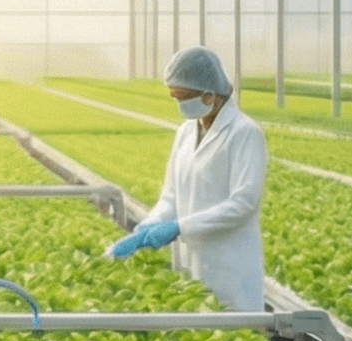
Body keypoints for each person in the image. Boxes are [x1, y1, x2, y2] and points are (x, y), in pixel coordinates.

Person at [105, 46, 267, 311]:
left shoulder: (245, 133)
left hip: (229, 269)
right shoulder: (185, 132)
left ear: (208, 94)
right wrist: (146, 229)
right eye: (175, 98)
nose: (180, 105)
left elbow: (243, 204)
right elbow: (171, 197)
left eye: (184, 97)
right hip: (190, 264)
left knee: (232, 340)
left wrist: (180, 227)